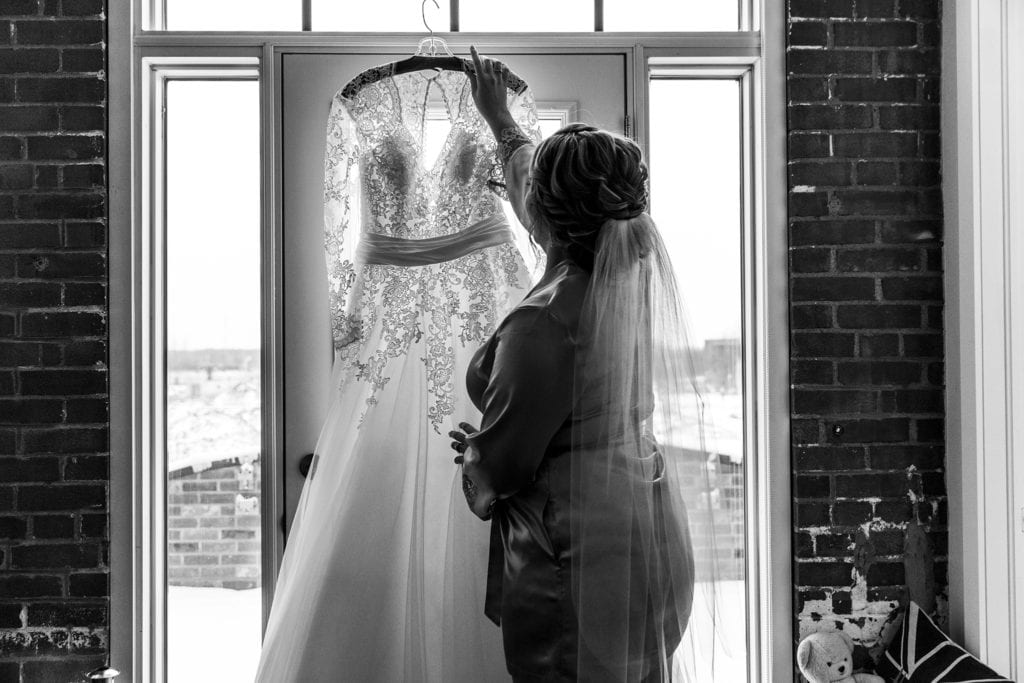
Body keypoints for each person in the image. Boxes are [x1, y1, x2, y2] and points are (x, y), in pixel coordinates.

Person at [448, 47, 718, 683]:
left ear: (544, 213)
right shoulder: (624, 269)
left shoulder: (542, 320)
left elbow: (505, 466)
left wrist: (476, 455)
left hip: (579, 554)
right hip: (645, 530)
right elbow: (531, 188)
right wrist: (501, 121)